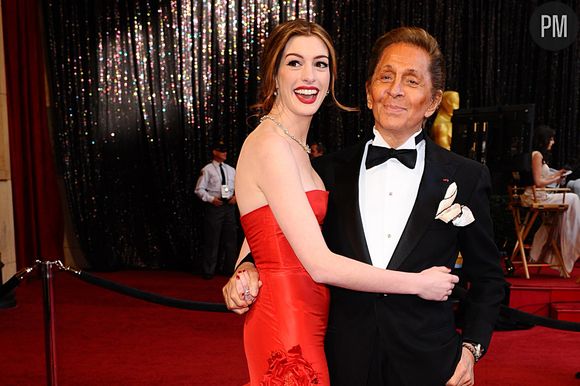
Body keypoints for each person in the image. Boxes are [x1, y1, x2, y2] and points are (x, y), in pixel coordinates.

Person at [225, 25, 506, 386]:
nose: (396, 90)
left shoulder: (467, 178)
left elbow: (488, 278)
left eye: (412, 80)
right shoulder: (326, 171)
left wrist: (471, 351)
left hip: (429, 361)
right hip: (339, 357)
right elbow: (272, 232)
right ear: (369, 93)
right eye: (386, 77)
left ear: (434, 102)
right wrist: (246, 268)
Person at [525, 125, 580, 275]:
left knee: (571, 200)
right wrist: (556, 177)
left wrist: (558, 174)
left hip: (540, 194)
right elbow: (538, 182)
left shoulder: (538, 155)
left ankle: (571, 236)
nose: (553, 142)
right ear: (544, 140)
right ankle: (573, 237)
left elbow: (543, 179)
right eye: (551, 139)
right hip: (537, 196)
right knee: (573, 198)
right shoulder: (537, 155)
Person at [195, 140, 237, 279]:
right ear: (214, 152)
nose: (225, 153)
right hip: (215, 207)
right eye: (221, 150)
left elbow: (240, 186)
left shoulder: (231, 170)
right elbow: (199, 189)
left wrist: (236, 197)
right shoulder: (207, 170)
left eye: (225, 150)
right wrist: (211, 199)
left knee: (230, 240)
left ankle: (230, 269)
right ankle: (208, 271)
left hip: (229, 207)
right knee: (212, 239)